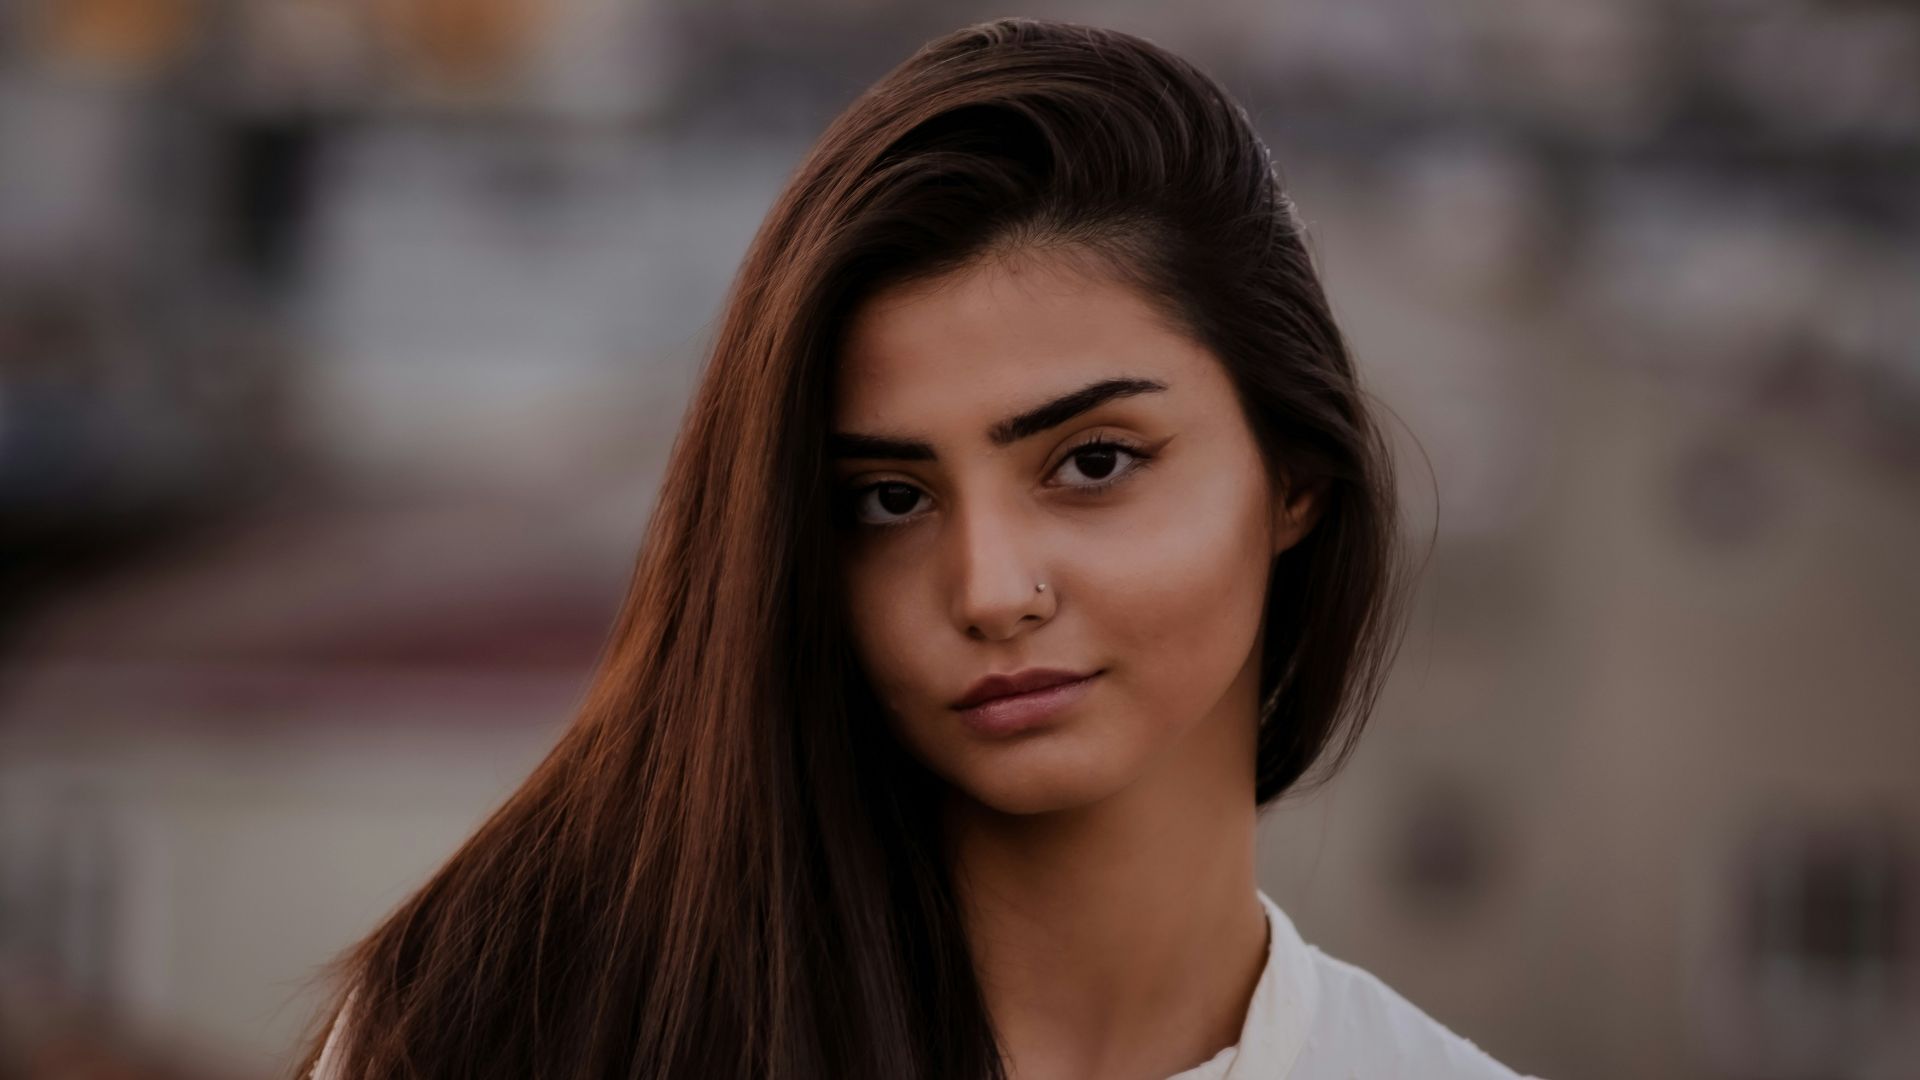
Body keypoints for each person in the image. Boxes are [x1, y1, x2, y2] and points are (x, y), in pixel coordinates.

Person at [294, 16, 1543, 1080]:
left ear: (1295, 479)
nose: (992, 591)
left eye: (1093, 462)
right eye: (889, 499)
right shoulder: (503, 1035)